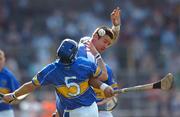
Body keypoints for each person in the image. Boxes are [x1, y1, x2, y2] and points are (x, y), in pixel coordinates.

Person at [2, 39, 114, 117]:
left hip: (73, 113)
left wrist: (13, 95)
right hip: (92, 109)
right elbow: (103, 76)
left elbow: (31, 85)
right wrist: (98, 56)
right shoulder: (85, 64)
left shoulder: (52, 70)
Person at [0, 49, 20, 117]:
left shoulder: (9, 76)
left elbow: (18, 96)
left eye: (0, 59)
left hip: (5, 112)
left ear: (4, 59)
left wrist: (9, 100)